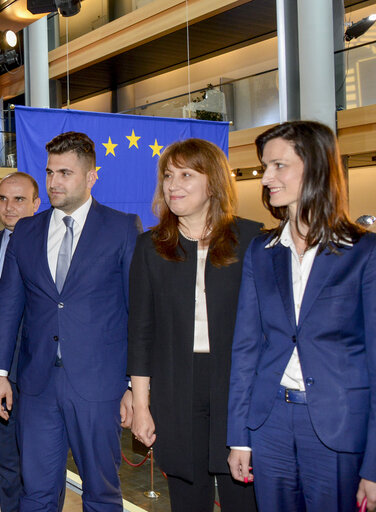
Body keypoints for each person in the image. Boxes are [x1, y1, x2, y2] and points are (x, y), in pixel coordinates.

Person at [226, 120, 376, 512]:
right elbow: (246, 347)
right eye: (264, 167)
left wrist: (374, 465)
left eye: (278, 166)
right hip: (269, 420)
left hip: (337, 425)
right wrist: (239, 436)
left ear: (315, 167)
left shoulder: (364, 253)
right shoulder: (261, 249)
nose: (266, 178)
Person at [0, 131, 140, 511]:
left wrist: (132, 385)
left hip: (99, 385)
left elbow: (137, 311)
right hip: (37, 386)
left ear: (92, 177)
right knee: (35, 492)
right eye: (50, 172)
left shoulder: (122, 228)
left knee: (101, 494)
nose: (54, 182)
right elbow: (9, 307)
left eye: (65, 173)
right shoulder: (27, 231)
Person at [127, 138, 260, 512]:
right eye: (168, 175)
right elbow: (140, 333)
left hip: (237, 388)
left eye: (186, 174)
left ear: (213, 183)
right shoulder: (150, 247)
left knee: (243, 495)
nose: (173, 185)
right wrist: (140, 405)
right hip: (175, 388)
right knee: (187, 497)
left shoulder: (252, 239)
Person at [0, 172, 41, 512]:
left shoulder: (53, 247)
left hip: (41, 379)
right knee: (7, 467)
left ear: (37, 204)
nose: (9, 207)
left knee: (40, 472)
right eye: (3, 198)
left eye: (19, 199)